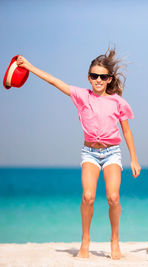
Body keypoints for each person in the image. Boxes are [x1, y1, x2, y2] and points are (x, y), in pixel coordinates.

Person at [16, 48, 141, 260]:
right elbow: (55, 82)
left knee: (113, 197)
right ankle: (85, 240)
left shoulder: (118, 102)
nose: (98, 80)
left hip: (112, 153)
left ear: (110, 79)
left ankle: (114, 240)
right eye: (94, 76)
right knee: (88, 196)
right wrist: (28, 67)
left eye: (103, 76)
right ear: (89, 77)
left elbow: (127, 131)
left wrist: (135, 159)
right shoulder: (82, 96)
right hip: (90, 153)